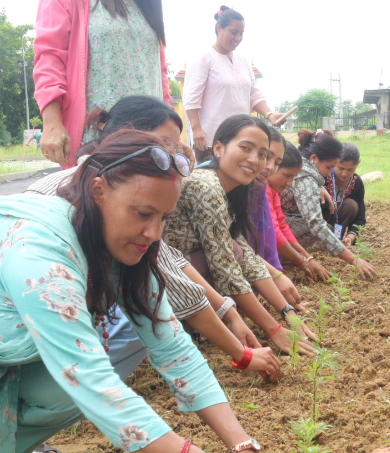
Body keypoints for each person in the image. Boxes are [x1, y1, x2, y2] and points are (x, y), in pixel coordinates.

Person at [0, 131, 262, 453]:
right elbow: (87, 377)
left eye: (163, 218)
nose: (153, 232)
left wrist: (241, 443)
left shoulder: (121, 246)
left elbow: (174, 348)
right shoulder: (38, 248)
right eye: (143, 213)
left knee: (62, 391)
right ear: (99, 191)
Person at [25, 95, 279, 383]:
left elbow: (172, 259)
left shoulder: (122, 184)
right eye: (162, 147)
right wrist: (245, 347)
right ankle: (75, 384)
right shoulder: (89, 192)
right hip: (33, 341)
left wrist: (229, 313)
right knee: (145, 310)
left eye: (174, 148)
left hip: (43, 331)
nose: (169, 158)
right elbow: (174, 281)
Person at [163, 114, 317, 355]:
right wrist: (274, 330)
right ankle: (190, 325)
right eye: (245, 148)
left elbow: (244, 252)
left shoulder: (234, 187)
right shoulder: (207, 187)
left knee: (235, 249)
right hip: (163, 281)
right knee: (229, 256)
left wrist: (287, 311)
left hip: (181, 274)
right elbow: (226, 267)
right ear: (218, 148)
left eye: (264, 155)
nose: (256, 161)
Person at [33, 0, 171, 166]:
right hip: (97, 140)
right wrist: (51, 122)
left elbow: (159, 70)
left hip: (151, 139)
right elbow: (50, 56)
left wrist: (172, 126)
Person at [183, 5, 285, 164]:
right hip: (211, 141)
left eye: (241, 33)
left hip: (242, 141)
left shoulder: (243, 61)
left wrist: (270, 114)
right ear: (219, 28)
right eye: (234, 32)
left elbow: (254, 94)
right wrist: (196, 129)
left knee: (239, 187)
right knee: (213, 186)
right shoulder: (204, 58)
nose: (238, 37)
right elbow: (191, 98)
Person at [281, 129, 378, 280]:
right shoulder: (306, 179)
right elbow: (315, 223)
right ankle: (283, 257)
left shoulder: (308, 172)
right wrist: (353, 259)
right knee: (315, 226)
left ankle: (288, 256)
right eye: (329, 167)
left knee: (323, 226)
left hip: (282, 224)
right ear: (314, 158)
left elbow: (359, 216)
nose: (330, 172)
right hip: (275, 227)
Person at [247, 127, 304, 309]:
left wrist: (277, 275)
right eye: (265, 156)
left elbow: (275, 229)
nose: (269, 166)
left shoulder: (261, 188)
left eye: (276, 162)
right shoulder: (254, 186)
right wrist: (300, 260)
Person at [266, 141, 332, 282]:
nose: (290, 183)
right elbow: (273, 232)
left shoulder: (272, 190)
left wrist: (307, 258)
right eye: (287, 175)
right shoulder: (262, 190)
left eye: (293, 177)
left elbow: (281, 225)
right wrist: (300, 260)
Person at [321, 142, 367, 247]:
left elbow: (360, 217)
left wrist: (351, 236)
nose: (345, 174)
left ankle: (337, 241)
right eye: (341, 168)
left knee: (351, 205)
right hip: (318, 223)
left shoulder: (357, 183)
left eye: (350, 169)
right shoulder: (322, 178)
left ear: (357, 165)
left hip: (338, 225)